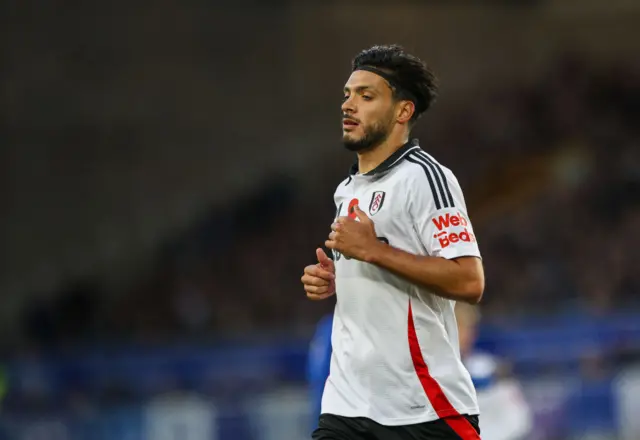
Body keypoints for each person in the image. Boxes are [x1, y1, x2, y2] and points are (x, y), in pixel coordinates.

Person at [300, 44, 485, 440]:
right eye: (347, 95)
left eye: (367, 96)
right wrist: (338, 278)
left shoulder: (427, 179)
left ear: (403, 111)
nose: (349, 105)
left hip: (424, 410)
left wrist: (373, 252)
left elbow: (469, 281)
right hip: (347, 405)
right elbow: (379, 272)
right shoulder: (346, 190)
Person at [456, 303, 533, 440]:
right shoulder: (424, 372)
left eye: (467, 328)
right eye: (457, 326)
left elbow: (519, 419)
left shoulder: (490, 368)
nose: (465, 334)